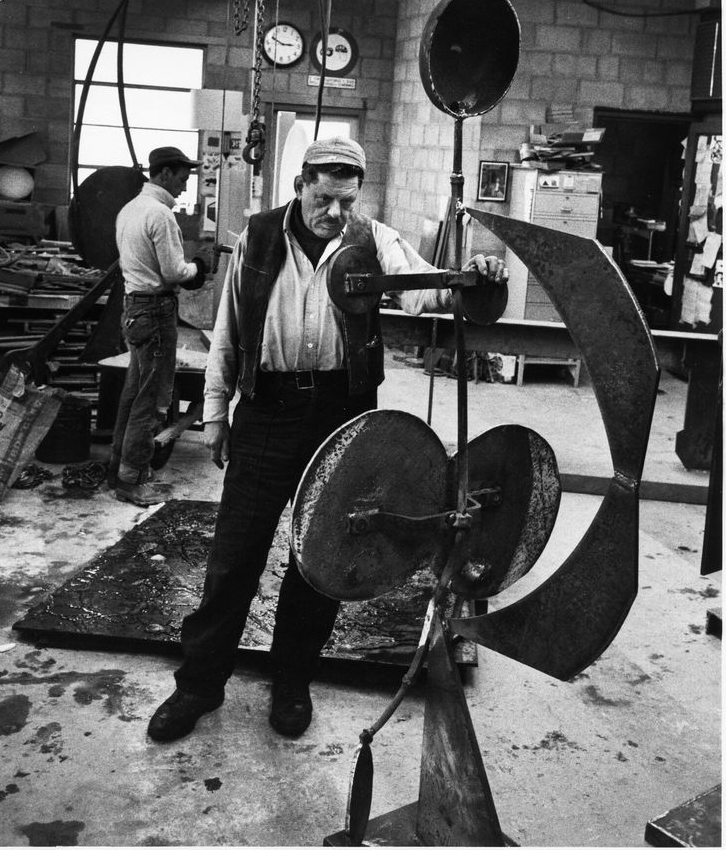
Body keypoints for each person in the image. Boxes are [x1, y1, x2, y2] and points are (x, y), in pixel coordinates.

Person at [147, 136, 507, 742]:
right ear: (300, 186)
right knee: (235, 555)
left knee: (319, 561)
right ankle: (199, 685)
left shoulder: (372, 240)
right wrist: (216, 414)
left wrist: (475, 278)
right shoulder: (258, 238)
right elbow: (228, 333)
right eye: (323, 198)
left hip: (343, 413)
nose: (335, 213)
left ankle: (292, 682)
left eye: (346, 200)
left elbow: (428, 289)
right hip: (268, 411)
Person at [109, 146, 209, 508]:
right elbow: (174, 273)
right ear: (165, 174)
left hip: (134, 308)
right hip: (154, 312)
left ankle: (117, 468)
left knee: (133, 393)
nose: (184, 186)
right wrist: (199, 266)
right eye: (182, 177)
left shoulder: (129, 210)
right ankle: (132, 480)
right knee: (150, 401)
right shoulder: (160, 214)